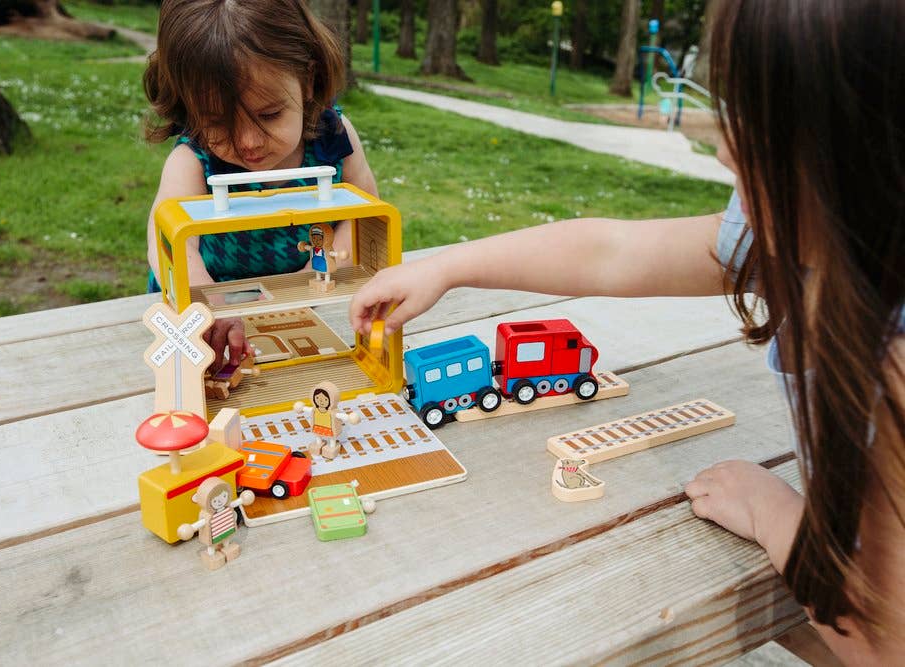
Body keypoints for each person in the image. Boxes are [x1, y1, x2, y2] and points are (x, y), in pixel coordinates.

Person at [350, 0, 904, 661]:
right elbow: (613, 252)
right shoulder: (810, 233)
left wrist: (775, 516)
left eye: (761, 124)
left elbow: (883, 639)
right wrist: (448, 266)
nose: (724, 149)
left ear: (866, 151)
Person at [142, 0, 378, 369]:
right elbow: (169, 245)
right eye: (218, 121)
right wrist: (208, 308)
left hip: (311, 305)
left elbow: (363, 216)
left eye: (269, 114)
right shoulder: (192, 161)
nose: (249, 141)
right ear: (188, 103)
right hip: (211, 313)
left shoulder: (333, 138)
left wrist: (309, 282)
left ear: (308, 81)